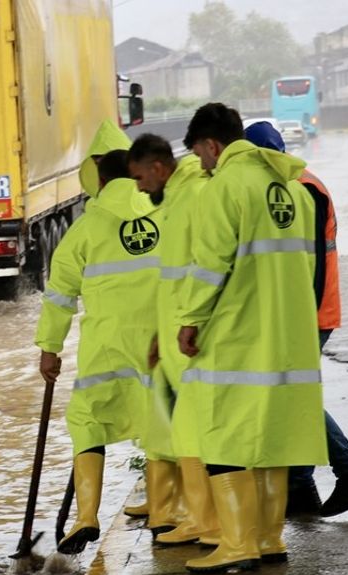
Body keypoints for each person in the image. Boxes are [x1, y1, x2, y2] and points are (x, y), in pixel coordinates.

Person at [174, 103, 327, 573]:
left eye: (200, 154)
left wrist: (189, 319)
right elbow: (308, 267)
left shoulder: (224, 188)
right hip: (287, 335)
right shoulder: (292, 189)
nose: (201, 164)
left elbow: (209, 266)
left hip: (238, 334)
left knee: (224, 436)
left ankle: (237, 544)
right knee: (272, 438)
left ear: (211, 144)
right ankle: (268, 538)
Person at [243, 121, 348, 518]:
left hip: (309, 311)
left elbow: (312, 263)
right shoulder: (300, 183)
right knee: (291, 396)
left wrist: (299, 316)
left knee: (292, 397)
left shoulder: (301, 189)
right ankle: (301, 487)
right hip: (308, 309)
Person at [37, 141, 162, 555]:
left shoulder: (85, 229)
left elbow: (59, 293)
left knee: (87, 419)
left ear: (102, 182)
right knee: (159, 421)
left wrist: (49, 348)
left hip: (105, 344)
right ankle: (165, 509)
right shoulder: (165, 213)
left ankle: (86, 515)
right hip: (160, 337)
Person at [127, 133, 217, 545]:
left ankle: (208, 522)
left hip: (194, 337)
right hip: (178, 337)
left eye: (141, 177)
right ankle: (201, 518)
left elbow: (207, 266)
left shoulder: (193, 196)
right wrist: (160, 338)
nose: (140, 187)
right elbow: (173, 279)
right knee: (186, 430)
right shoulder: (178, 200)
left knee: (196, 430)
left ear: (159, 169)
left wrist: (189, 325)